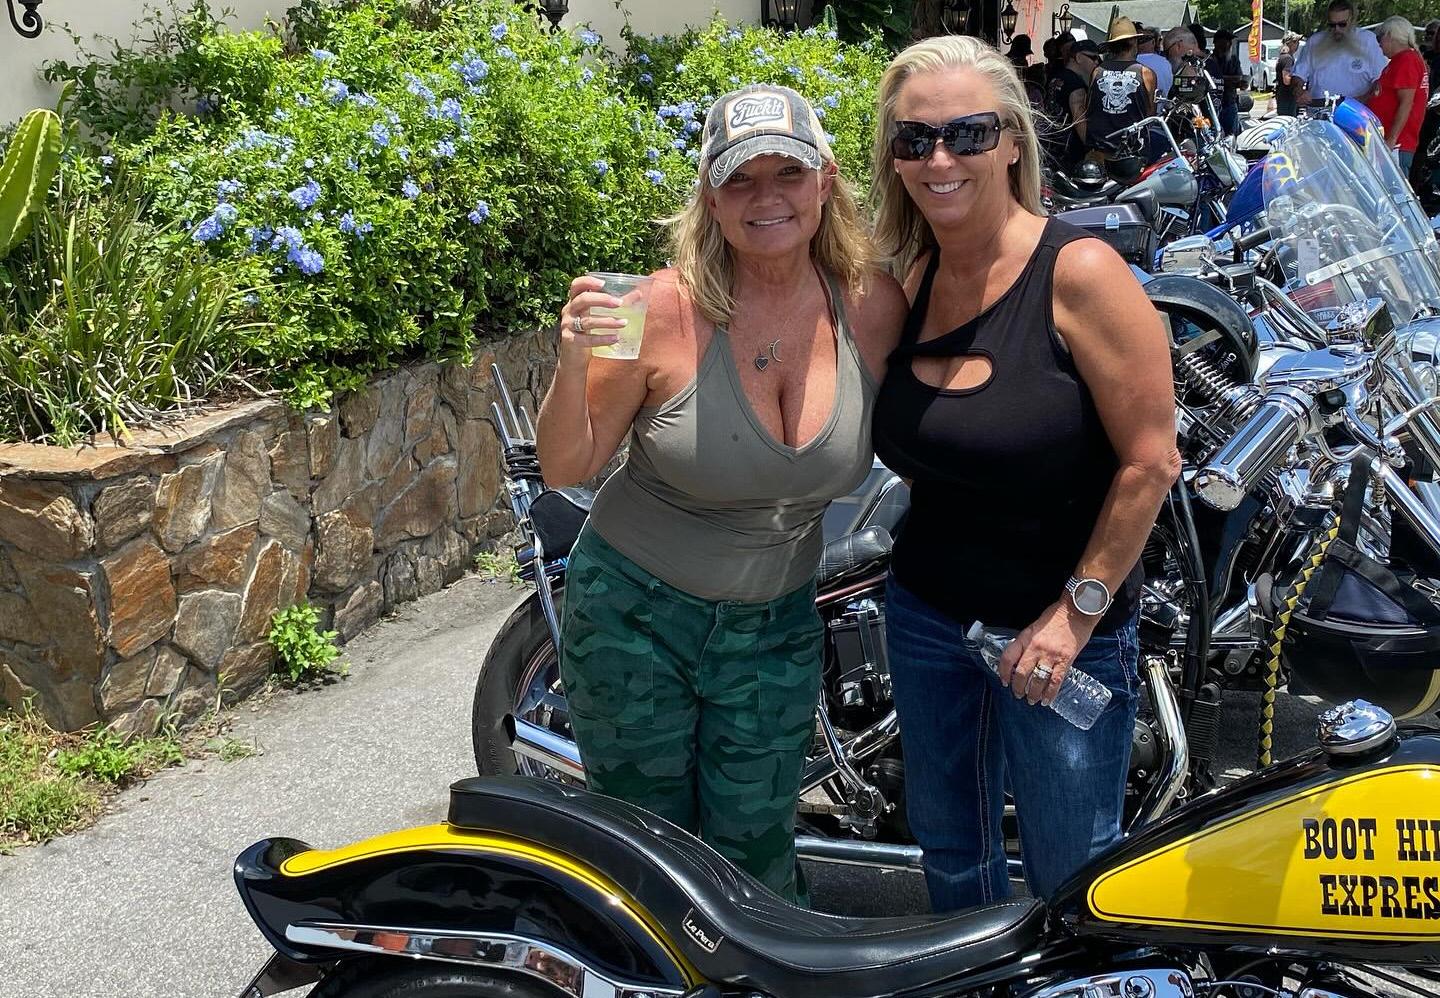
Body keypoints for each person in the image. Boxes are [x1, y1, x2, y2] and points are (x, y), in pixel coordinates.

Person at [537, 83, 906, 903]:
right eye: (740, 178)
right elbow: (566, 464)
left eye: (788, 173)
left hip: (774, 625)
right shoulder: (655, 308)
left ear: (826, 182)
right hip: (634, 620)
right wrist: (572, 361)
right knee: (647, 861)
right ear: (710, 194)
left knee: (756, 860)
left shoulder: (872, 305)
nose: (766, 197)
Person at [868, 34, 1180, 910]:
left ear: (1011, 141)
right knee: (950, 858)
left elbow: (1151, 460)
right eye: (915, 139)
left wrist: (1074, 616)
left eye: (967, 134)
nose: (940, 159)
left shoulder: (1079, 272)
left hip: (1059, 629)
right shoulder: (911, 277)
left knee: (1072, 875)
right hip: (926, 615)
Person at [1085, 16, 1157, 179]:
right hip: (1132, 155)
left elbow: (1088, 108)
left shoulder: (1097, 71)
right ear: (1133, 42)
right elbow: (1150, 115)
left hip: (1099, 153)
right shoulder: (1145, 73)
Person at [1292, 0, 1386, 105]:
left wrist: (1363, 100)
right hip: (1319, 109)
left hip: (1357, 110)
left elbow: (1381, 81)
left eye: (1342, 24)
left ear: (1352, 20)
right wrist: (1299, 91)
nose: (1337, 29)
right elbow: (1298, 75)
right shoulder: (1314, 42)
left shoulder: (1369, 41)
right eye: (1332, 25)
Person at [1369, 16, 1429, 173]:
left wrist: (1391, 139)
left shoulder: (1407, 60)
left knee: (1392, 186)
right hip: (1392, 141)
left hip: (1397, 145)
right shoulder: (1402, 60)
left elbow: (1406, 103)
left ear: (1390, 36)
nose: (1379, 44)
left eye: (1380, 38)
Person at [1043, 39, 1102, 168]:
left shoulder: (1055, 78)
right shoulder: (1076, 85)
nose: (1097, 62)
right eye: (1093, 58)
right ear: (1079, 57)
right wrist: (1093, 148)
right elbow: (1079, 118)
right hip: (1069, 153)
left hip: (1051, 146)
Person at [1206, 28, 1247, 136]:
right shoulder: (1209, 60)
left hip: (1230, 102)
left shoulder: (1234, 59)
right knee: (1213, 134)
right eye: (1226, 41)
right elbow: (1211, 78)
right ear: (1216, 43)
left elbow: (1238, 77)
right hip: (1213, 104)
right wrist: (1229, 80)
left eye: (1229, 42)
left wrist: (1241, 83)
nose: (1229, 44)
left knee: (1231, 135)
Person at [1137, 25, 1174, 97]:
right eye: (1159, 40)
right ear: (1153, 42)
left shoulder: (1130, 62)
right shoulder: (1165, 63)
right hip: (1161, 102)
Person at [1275, 33, 1302, 116]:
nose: (1298, 44)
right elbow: (1286, 80)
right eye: (1296, 42)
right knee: (1289, 120)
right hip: (1287, 97)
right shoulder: (1287, 58)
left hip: (1283, 96)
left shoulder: (1284, 56)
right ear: (1290, 43)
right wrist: (1299, 80)